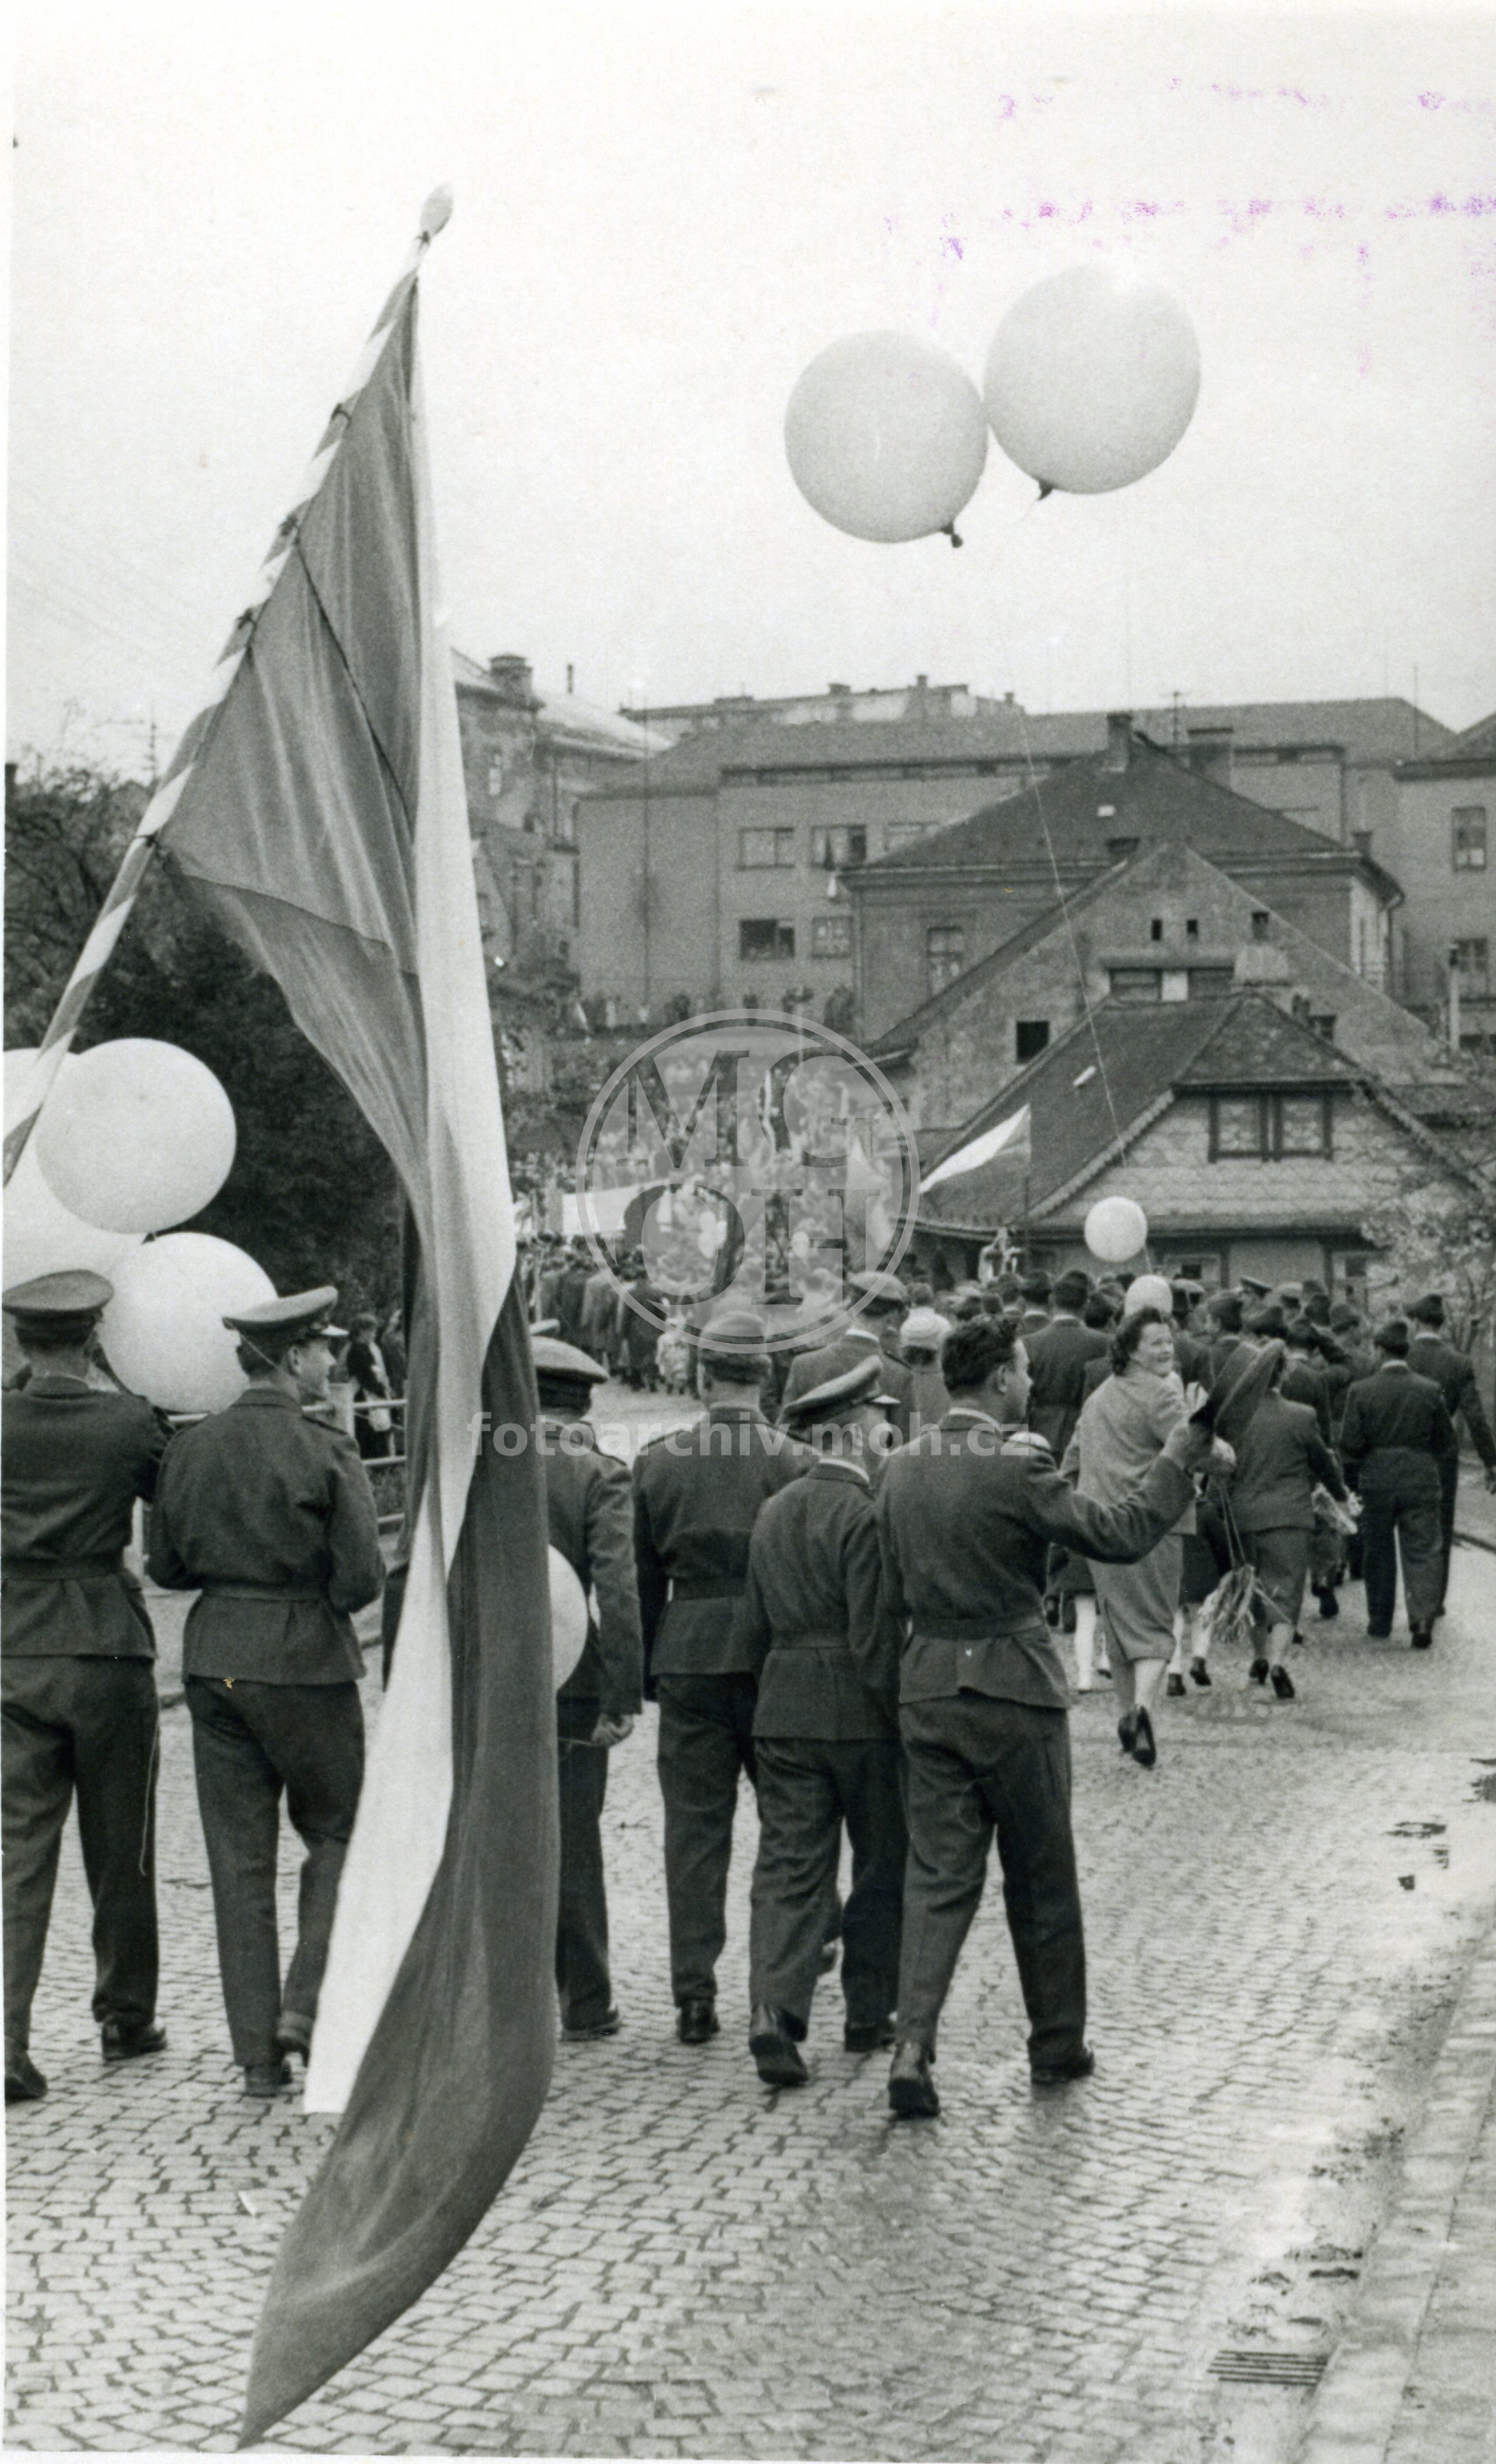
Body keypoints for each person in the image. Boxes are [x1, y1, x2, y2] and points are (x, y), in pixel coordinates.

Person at [874, 1315, 1230, 2117]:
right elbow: (1121, 1533)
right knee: (1040, 1875)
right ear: (1000, 1378)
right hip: (1016, 1690)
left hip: (928, 1685)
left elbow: (886, 1591)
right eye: (1026, 1372)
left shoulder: (899, 1469)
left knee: (935, 1878)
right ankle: (1056, 2044)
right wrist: (1178, 1458)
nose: (1032, 1385)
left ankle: (913, 2045)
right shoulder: (1015, 1470)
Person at [148, 1287, 382, 2095]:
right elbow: (360, 1578)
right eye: (322, 1348)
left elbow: (167, 1568)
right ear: (290, 1357)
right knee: (342, 1832)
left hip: (214, 1657)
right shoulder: (325, 1445)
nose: (331, 1360)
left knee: (238, 1864)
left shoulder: (190, 1445)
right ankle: (305, 2005)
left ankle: (257, 2057)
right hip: (306, 1662)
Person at [2, 1270, 168, 2104]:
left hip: (12, 1646)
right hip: (105, 1646)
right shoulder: (128, 1420)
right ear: (92, 1336)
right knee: (121, 1847)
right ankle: (125, 2016)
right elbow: (167, 1501)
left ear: (22, 1340)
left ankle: (7, 2043)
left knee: (16, 1855)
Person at [633, 1309, 814, 2043]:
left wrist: (649, 1664)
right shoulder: (793, 1461)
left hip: (687, 1652)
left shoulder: (657, 1460)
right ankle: (786, 1968)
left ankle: (693, 1992)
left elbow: (640, 1579)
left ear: (704, 1378)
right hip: (773, 1655)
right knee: (791, 1823)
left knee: (694, 1833)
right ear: (765, 1380)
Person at [741, 1354, 906, 2087]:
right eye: (877, 1423)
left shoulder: (773, 1511)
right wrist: (897, 1714)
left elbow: (754, 1624)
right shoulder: (867, 1514)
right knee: (879, 1865)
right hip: (859, 1716)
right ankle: (869, 2010)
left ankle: (773, 2012)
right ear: (845, 1434)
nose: (887, 1433)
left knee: (787, 1866)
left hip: (783, 1705)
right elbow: (875, 1637)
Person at [535, 1336, 643, 2042]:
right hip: (572, 1683)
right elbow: (617, 1589)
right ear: (583, 1404)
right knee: (572, 1841)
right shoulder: (595, 1473)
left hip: (487, 1681)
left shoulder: (474, 1467)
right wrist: (622, 1694)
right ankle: (585, 2001)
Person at [1063, 1306, 1194, 1769]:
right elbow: (1190, 1447)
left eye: (1169, 1341)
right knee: (1157, 1626)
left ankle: (1125, 1720)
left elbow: (1072, 1455)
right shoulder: (1161, 1396)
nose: (1166, 1349)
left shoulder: (1099, 1397)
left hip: (1100, 1527)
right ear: (1131, 1350)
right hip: (1154, 1525)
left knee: (1118, 1627)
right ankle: (1141, 1714)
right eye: (1156, 1342)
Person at [1224, 1341, 1349, 1698]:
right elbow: (1323, 1462)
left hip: (1244, 1516)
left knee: (1251, 1590)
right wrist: (1340, 1495)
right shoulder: (1301, 1415)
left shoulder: (1235, 1419)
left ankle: (1258, 1657)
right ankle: (1278, 1662)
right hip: (1290, 1516)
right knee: (1286, 1589)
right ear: (1284, 1373)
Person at [1338, 1319, 1457, 1649]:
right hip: (1421, 1478)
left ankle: (1379, 1621)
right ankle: (1421, 1621)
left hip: (1376, 1479)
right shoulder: (1431, 1389)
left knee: (1378, 1552)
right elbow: (1447, 1442)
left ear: (1378, 1350)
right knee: (1423, 1550)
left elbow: (1350, 1444)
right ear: (1406, 1351)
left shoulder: (1360, 1391)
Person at [1405, 1293, 1496, 1615]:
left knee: (1408, 1526)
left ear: (1416, 1321)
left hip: (1404, 1453)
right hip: (1441, 1456)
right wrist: (1491, 1461)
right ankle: (1434, 1600)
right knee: (1441, 1525)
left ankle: (1413, 1596)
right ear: (1442, 1323)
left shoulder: (1402, 1357)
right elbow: (1475, 1417)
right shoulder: (1459, 1362)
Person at [343, 1310, 395, 1461]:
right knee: (369, 1432)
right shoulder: (357, 1350)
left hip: (370, 1393)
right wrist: (380, 1390)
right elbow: (365, 1377)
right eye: (370, 1330)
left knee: (377, 1431)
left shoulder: (365, 1349)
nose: (373, 1334)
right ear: (361, 1331)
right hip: (364, 1395)